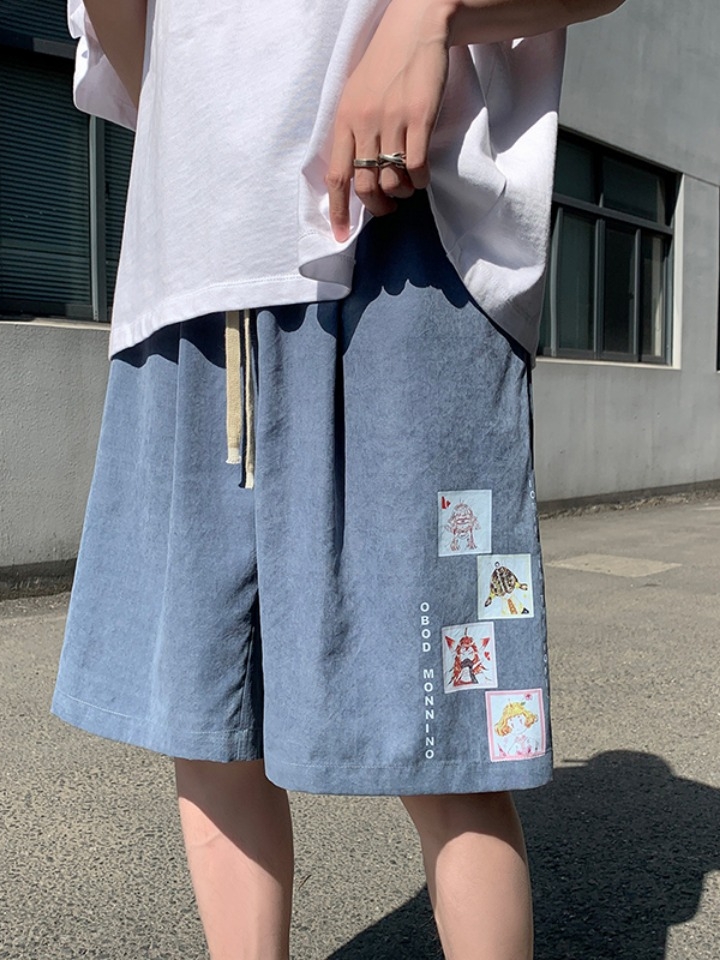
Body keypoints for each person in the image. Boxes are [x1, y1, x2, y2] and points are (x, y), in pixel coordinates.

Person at [52, 1, 625, 958]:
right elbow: (144, 63)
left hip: (401, 247)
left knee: (453, 737)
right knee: (206, 723)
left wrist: (425, 18)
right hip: (186, 275)